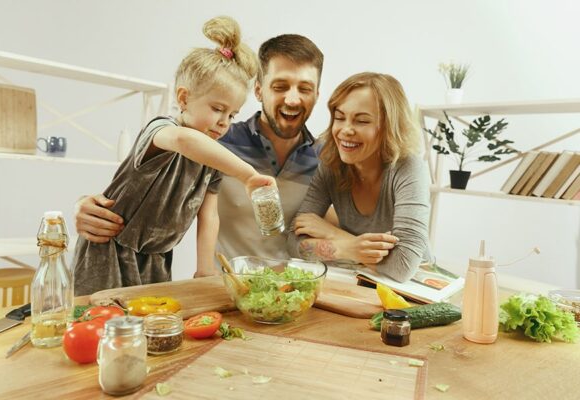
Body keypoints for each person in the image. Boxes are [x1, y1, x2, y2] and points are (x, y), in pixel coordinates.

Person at [74, 34, 325, 265]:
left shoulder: (325, 160)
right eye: (280, 86)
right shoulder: (216, 143)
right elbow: (173, 150)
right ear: (258, 90)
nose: (293, 99)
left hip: (293, 287)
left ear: (316, 94)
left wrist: (350, 245)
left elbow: (347, 220)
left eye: (305, 88)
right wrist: (83, 204)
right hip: (228, 284)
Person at [72, 16, 275, 295]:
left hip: (156, 257)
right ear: (183, 99)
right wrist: (247, 174)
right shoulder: (162, 131)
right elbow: (184, 140)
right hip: (109, 252)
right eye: (217, 108)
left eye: (232, 114)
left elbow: (209, 215)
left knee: (148, 327)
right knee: (101, 325)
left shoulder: (212, 160)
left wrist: (205, 268)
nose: (224, 122)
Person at [287, 72, 432, 282]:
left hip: (417, 285)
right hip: (361, 281)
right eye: (339, 117)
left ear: (389, 127)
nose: (345, 130)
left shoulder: (407, 167)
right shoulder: (331, 165)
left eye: (362, 121)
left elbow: (403, 265)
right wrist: (350, 249)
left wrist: (338, 238)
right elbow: (293, 242)